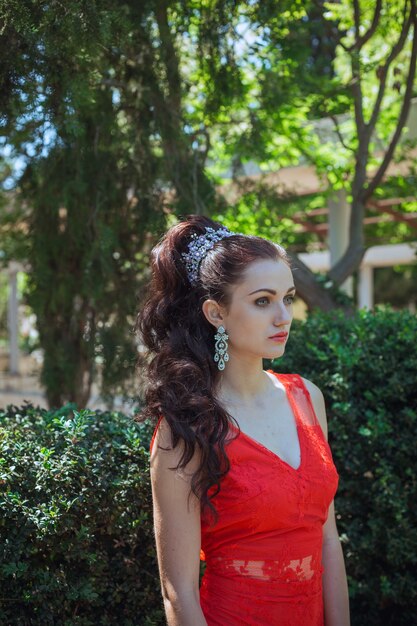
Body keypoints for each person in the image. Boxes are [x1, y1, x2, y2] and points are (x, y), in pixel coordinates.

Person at [136, 215, 350, 626]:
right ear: (216, 313)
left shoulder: (308, 398)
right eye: (263, 301)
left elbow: (327, 539)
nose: (283, 316)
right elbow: (177, 591)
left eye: (288, 298)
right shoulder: (188, 425)